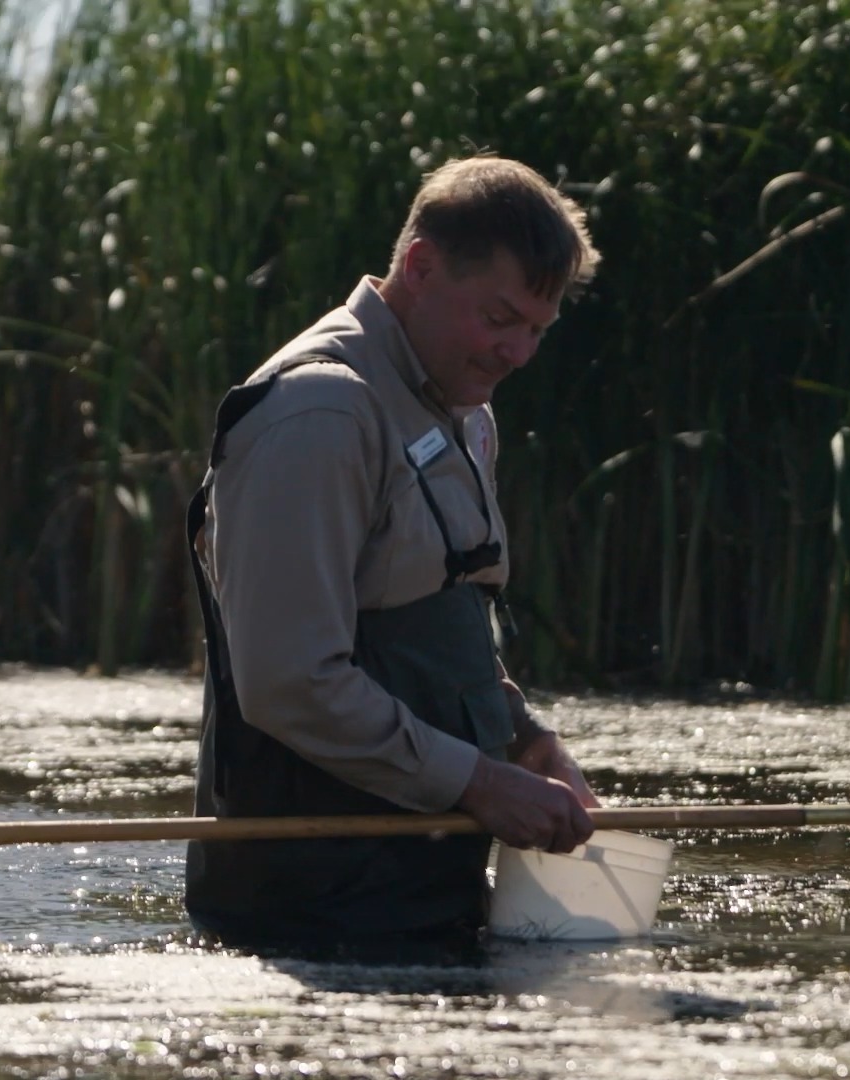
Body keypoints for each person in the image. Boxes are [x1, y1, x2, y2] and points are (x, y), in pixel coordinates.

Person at [183, 155, 604, 942]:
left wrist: (522, 741)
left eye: (537, 333)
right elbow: (290, 683)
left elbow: (433, 632)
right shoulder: (318, 413)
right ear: (420, 266)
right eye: (499, 318)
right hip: (311, 909)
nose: (517, 353)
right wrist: (479, 781)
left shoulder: (466, 411)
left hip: (424, 891)